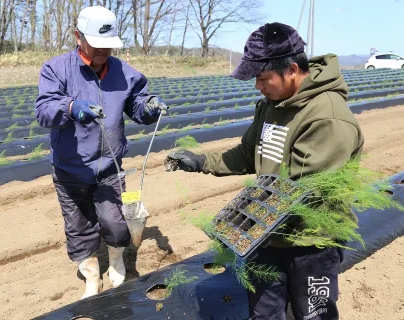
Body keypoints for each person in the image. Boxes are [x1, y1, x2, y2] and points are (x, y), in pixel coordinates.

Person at [165, 22, 364, 320]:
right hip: (269, 237)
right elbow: (248, 154)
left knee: (313, 315)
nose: (258, 86)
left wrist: (243, 225)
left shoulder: (328, 118)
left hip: (311, 242)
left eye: (263, 77)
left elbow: (304, 191)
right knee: (265, 314)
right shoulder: (271, 105)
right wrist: (201, 161)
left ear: (292, 69)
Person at [35, 6, 167, 300]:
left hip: (109, 167)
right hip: (70, 168)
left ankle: (117, 258)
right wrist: (70, 108)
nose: (105, 50)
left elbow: (137, 105)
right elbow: (43, 111)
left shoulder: (124, 72)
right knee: (79, 227)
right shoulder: (56, 69)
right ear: (78, 36)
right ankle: (92, 280)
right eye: (98, 43)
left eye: (109, 44)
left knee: (116, 224)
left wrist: (149, 107)